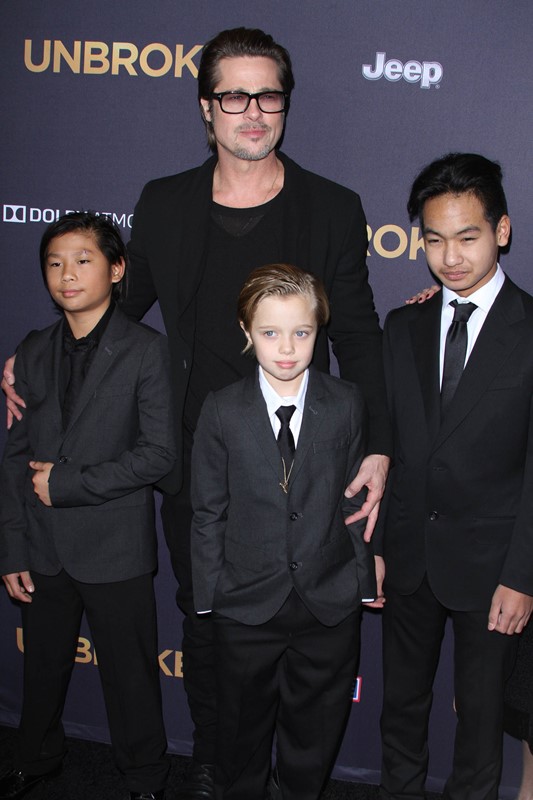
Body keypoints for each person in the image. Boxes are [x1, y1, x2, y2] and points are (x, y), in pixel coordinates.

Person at [2, 27, 391, 798]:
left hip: (303, 463)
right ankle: (214, 761)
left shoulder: (331, 208)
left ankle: (293, 776)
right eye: (233, 96)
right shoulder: (165, 202)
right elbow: (120, 311)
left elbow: (357, 337)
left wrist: (376, 446)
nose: (253, 111)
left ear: (284, 103)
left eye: (267, 95)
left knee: (301, 631)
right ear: (205, 108)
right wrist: (36, 356)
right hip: (194, 459)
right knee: (205, 620)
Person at [0, 212, 176, 800]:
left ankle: (145, 778)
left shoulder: (147, 351)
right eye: (54, 263)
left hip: (115, 547)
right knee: (42, 668)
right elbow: (15, 456)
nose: (67, 274)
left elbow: (159, 455)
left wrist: (69, 484)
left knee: (130, 676)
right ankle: (36, 758)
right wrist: (12, 546)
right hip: (42, 545)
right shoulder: (31, 350)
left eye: (82, 260)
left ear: (117, 269)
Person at [191, 263, 381, 800]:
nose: (288, 348)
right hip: (245, 603)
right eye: (270, 332)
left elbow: (354, 498)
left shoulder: (346, 402)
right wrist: (212, 598)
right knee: (240, 735)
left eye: (302, 331)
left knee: (313, 736)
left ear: (319, 329)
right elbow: (208, 511)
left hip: (328, 602)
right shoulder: (222, 409)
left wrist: (361, 581)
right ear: (246, 331)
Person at [376, 152, 533, 800]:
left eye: (467, 237)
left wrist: (521, 576)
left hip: (493, 569)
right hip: (408, 555)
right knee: (399, 710)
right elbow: (387, 446)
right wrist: (377, 546)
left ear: (501, 230)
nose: (450, 257)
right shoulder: (402, 324)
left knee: (479, 726)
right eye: (435, 240)